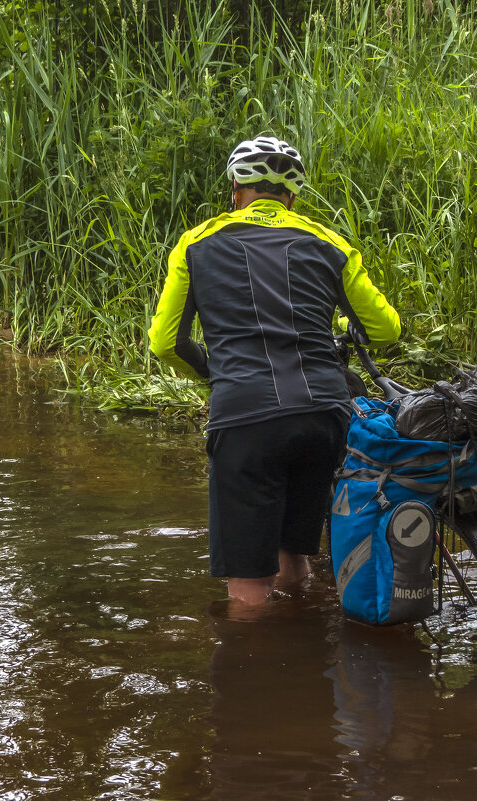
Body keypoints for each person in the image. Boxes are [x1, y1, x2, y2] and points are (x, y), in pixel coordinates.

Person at [147, 135, 401, 605]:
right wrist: (342, 325)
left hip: (245, 416)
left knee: (247, 589)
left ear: (236, 192)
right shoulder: (330, 243)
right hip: (324, 417)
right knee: (295, 556)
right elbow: (384, 331)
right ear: (291, 197)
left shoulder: (195, 244)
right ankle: (306, 647)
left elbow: (166, 343)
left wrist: (216, 377)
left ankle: (261, 667)